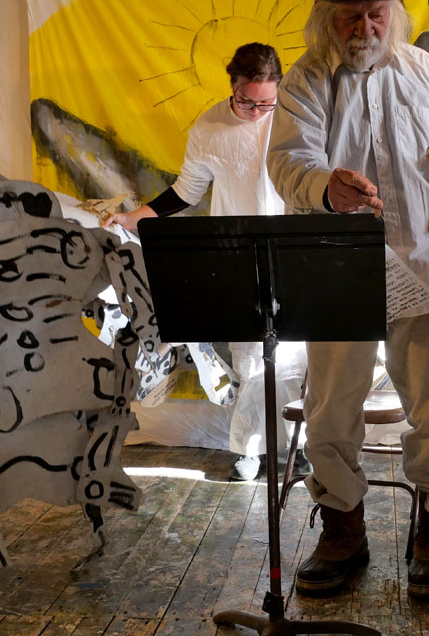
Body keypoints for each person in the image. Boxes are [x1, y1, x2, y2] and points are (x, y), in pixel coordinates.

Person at [267, 0, 429, 600]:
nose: (363, 30)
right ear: (326, 17)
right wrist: (324, 187)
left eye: (373, 16)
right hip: (338, 269)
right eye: (349, 18)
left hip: (425, 264)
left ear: (389, 11)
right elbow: (287, 164)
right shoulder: (304, 81)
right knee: (332, 403)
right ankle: (341, 527)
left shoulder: (423, 69)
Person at [105, 43, 297, 482]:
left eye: (266, 101)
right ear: (232, 85)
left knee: (296, 357)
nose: (256, 111)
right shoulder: (209, 125)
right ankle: (250, 451)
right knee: (251, 359)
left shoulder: (291, 116)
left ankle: (296, 448)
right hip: (238, 255)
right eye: (247, 101)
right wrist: (137, 217)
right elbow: (187, 190)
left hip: (291, 249)